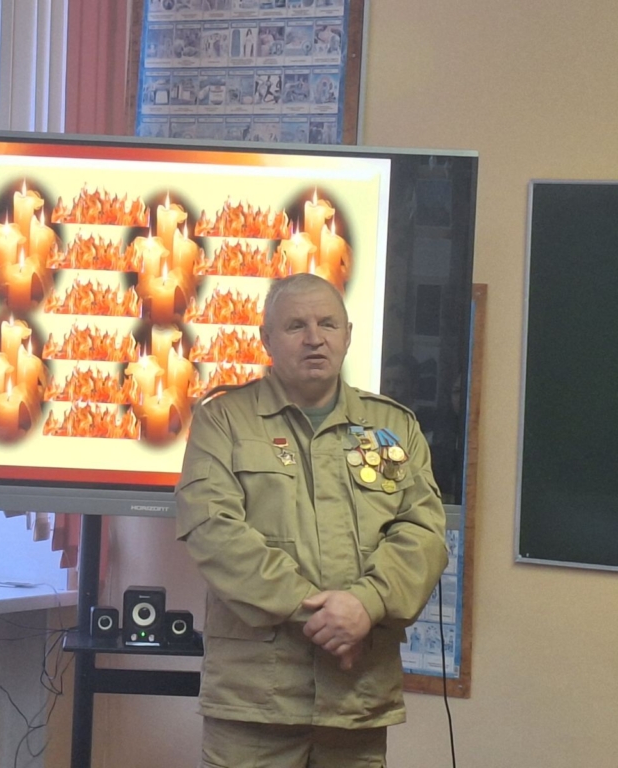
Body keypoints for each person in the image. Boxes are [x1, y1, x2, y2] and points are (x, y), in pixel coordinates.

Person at [175, 273, 448, 768]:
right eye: (296, 325)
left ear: (348, 334)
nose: (314, 338)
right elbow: (213, 532)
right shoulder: (223, 421)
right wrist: (328, 617)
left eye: (327, 324)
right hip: (255, 699)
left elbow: (424, 535)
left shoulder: (393, 426)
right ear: (266, 339)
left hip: (357, 696)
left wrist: (367, 604)